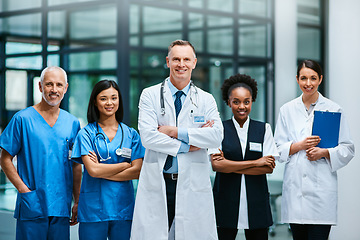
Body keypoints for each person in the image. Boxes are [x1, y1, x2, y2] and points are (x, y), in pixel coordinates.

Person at [130, 40, 223, 239]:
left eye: (186, 59)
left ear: (194, 62)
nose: (181, 64)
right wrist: (188, 146)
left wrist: (173, 131)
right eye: (176, 59)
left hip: (192, 183)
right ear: (168, 61)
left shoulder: (206, 99)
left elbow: (216, 136)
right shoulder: (150, 95)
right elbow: (147, 137)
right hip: (159, 181)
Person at [274, 60, 355, 240]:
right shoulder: (286, 110)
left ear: (320, 79)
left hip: (321, 195)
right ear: (297, 79)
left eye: (313, 78)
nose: (308, 83)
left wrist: (324, 152)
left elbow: (348, 148)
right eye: (303, 78)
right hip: (295, 193)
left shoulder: (333, 109)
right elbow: (278, 149)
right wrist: (300, 145)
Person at [0, 66, 81, 240]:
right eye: (49, 84)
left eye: (59, 85)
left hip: (60, 205)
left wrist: (77, 201)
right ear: (40, 86)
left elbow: (75, 165)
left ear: (65, 88)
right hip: (32, 203)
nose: (54, 89)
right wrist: (23, 190)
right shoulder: (22, 119)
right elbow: (5, 159)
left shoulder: (72, 123)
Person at [71, 80, 144, 240]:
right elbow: (93, 170)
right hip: (93, 209)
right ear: (95, 103)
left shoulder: (131, 135)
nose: (109, 102)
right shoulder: (86, 134)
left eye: (114, 98)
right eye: (103, 98)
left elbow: (138, 171)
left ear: (119, 100)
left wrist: (101, 170)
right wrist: (125, 165)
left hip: (123, 209)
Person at [210, 74, 278, 240]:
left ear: (252, 101)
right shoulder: (219, 129)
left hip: (256, 203)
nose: (242, 106)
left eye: (246, 101)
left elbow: (268, 168)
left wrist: (230, 165)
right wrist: (256, 162)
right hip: (226, 202)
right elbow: (217, 166)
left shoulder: (264, 129)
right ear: (228, 102)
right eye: (236, 101)